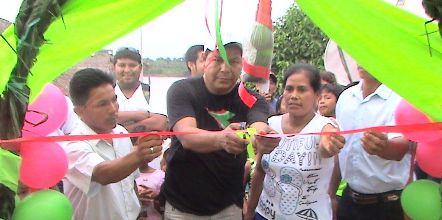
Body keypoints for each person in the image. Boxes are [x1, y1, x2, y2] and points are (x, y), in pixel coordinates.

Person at [162, 40, 281, 219]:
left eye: (233, 62)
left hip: (228, 206)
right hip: (182, 205)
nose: (225, 69)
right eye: (218, 60)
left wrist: (263, 137)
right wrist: (222, 139)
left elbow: (258, 126)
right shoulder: (183, 90)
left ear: (241, 64)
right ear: (204, 59)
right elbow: (187, 136)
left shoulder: (251, 98)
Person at [245, 63, 346, 220]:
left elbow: (327, 144)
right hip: (264, 215)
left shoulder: (324, 127)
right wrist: (250, 210)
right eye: (289, 89)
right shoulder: (271, 124)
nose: (294, 95)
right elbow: (260, 171)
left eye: (302, 89)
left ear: (317, 95)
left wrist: (330, 144)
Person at [62, 68, 164, 220]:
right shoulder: (73, 145)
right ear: (79, 111)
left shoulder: (121, 133)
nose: (113, 109)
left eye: (114, 99)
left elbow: (130, 183)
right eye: (102, 104)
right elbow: (102, 174)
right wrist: (138, 155)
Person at [335, 65, 411, 220]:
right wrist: (331, 195)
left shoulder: (400, 99)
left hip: (387, 206)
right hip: (349, 201)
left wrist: (384, 147)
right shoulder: (346, 97)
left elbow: (401, 148)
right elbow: (339, 151)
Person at [112, 47, 167, 133]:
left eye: (132, 65)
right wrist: (141, 115)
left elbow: (159, 123)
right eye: (122, 65)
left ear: (140, 68)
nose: (127, 70)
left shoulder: (153, 92)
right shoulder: (106, 93)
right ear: (114, 67)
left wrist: (119, 127)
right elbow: (100, 120)